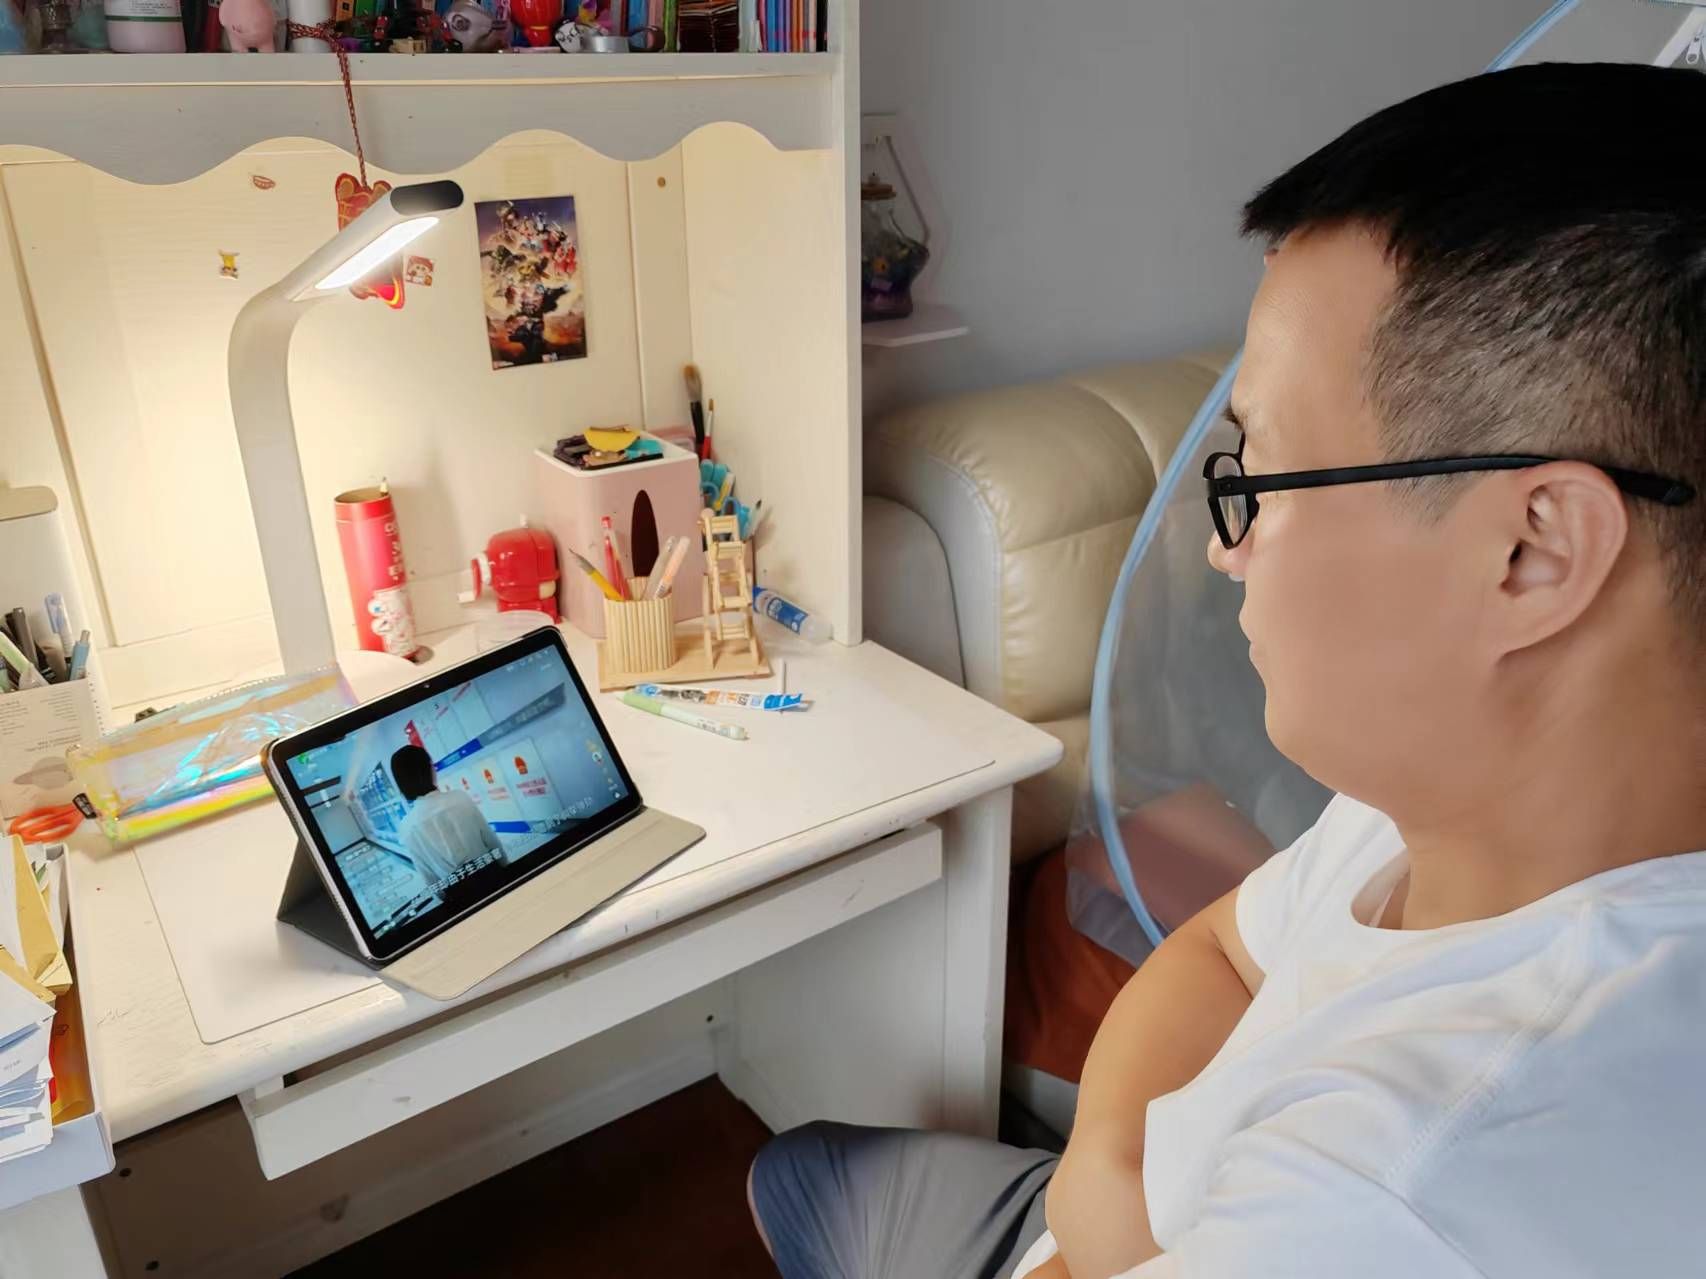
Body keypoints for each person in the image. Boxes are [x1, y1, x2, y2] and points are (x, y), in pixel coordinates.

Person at [748, 61, 1706, 1279]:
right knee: (799, 1168)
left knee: (797, 1180)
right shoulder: (1458, 801)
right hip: (1101, 1206)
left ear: (1529, 551)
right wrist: (1103, 1181)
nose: (1222, 544)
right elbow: (1217, 951)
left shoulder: (1404, 1189)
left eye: (1259, 476)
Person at [389, 743, 502, 890]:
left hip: (456, 891)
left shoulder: (406, 827)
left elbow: (429, 877)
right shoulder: (459, 798)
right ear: (427, 770)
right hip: (492, 874)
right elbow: (491, 841)